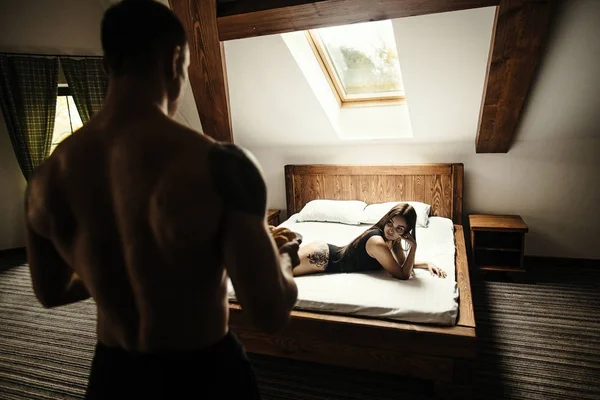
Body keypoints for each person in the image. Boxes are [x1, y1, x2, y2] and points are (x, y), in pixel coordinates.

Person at [23, 1, 299, 398]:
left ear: (108, 66)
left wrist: (107, 268)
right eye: (186, 70)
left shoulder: (46, 177)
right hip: (204, 372)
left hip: (114, 376)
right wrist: (284, 259)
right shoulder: (221, 164)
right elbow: (269, 313)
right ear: (174, 61)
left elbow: (50, 293)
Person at [293, 203, 447, 279]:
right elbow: (402, 274)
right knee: (273, 273)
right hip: (321, 257)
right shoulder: (377, 242)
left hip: (325, 255)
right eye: (390, 223)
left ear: (406, 232)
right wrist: (414, 247)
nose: (391, 230)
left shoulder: (393, 239)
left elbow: (400, 265)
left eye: (399, 229)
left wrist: (426, 264)